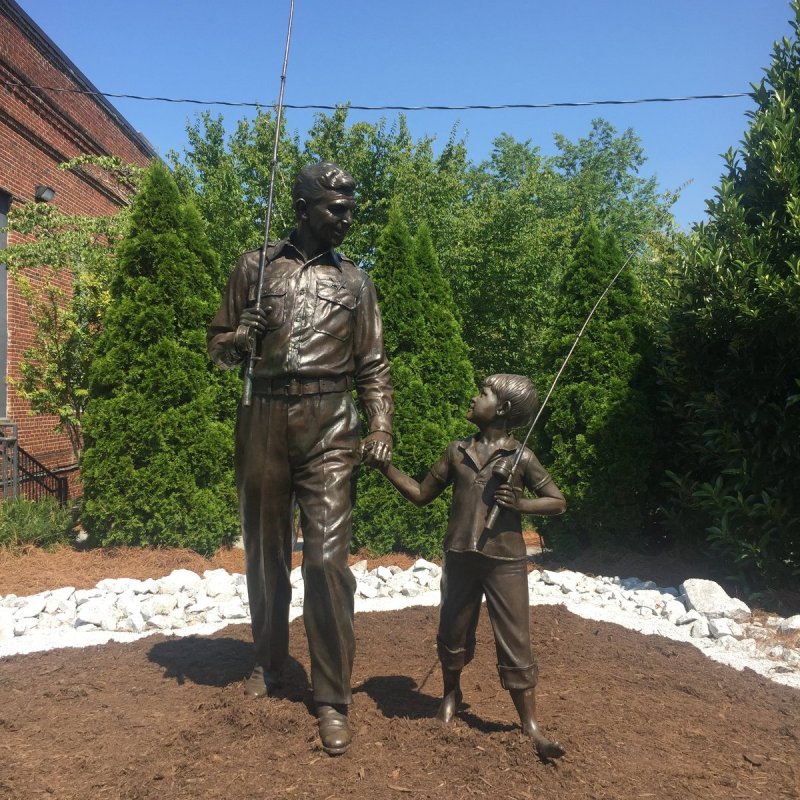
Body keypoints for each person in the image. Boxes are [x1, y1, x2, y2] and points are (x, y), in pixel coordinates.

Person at [207, 162, 394, 756]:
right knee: (264, 553)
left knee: (326, 561)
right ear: (303, 205)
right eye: (335, 208)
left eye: (349, 209)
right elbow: (215, 348)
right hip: (262, 416)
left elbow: (373, 364)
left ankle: (332, 697)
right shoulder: (254, 267)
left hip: (331, 424)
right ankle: (268, 662)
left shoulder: (358, 284)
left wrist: (381, 423)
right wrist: (239, 338)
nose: (345, 219)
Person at [371, 374, 566, 761]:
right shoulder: (456, 451)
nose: (475, 398)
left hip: (505, 562)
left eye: (484, 393)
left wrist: (521, 505)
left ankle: (530, 725)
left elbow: (557, 501)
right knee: (452, 630)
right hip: (460, 556)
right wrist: (385, 468)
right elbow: (421, 495)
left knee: (515, 639)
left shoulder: (520, 457)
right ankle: (450, 695)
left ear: (504, 409)